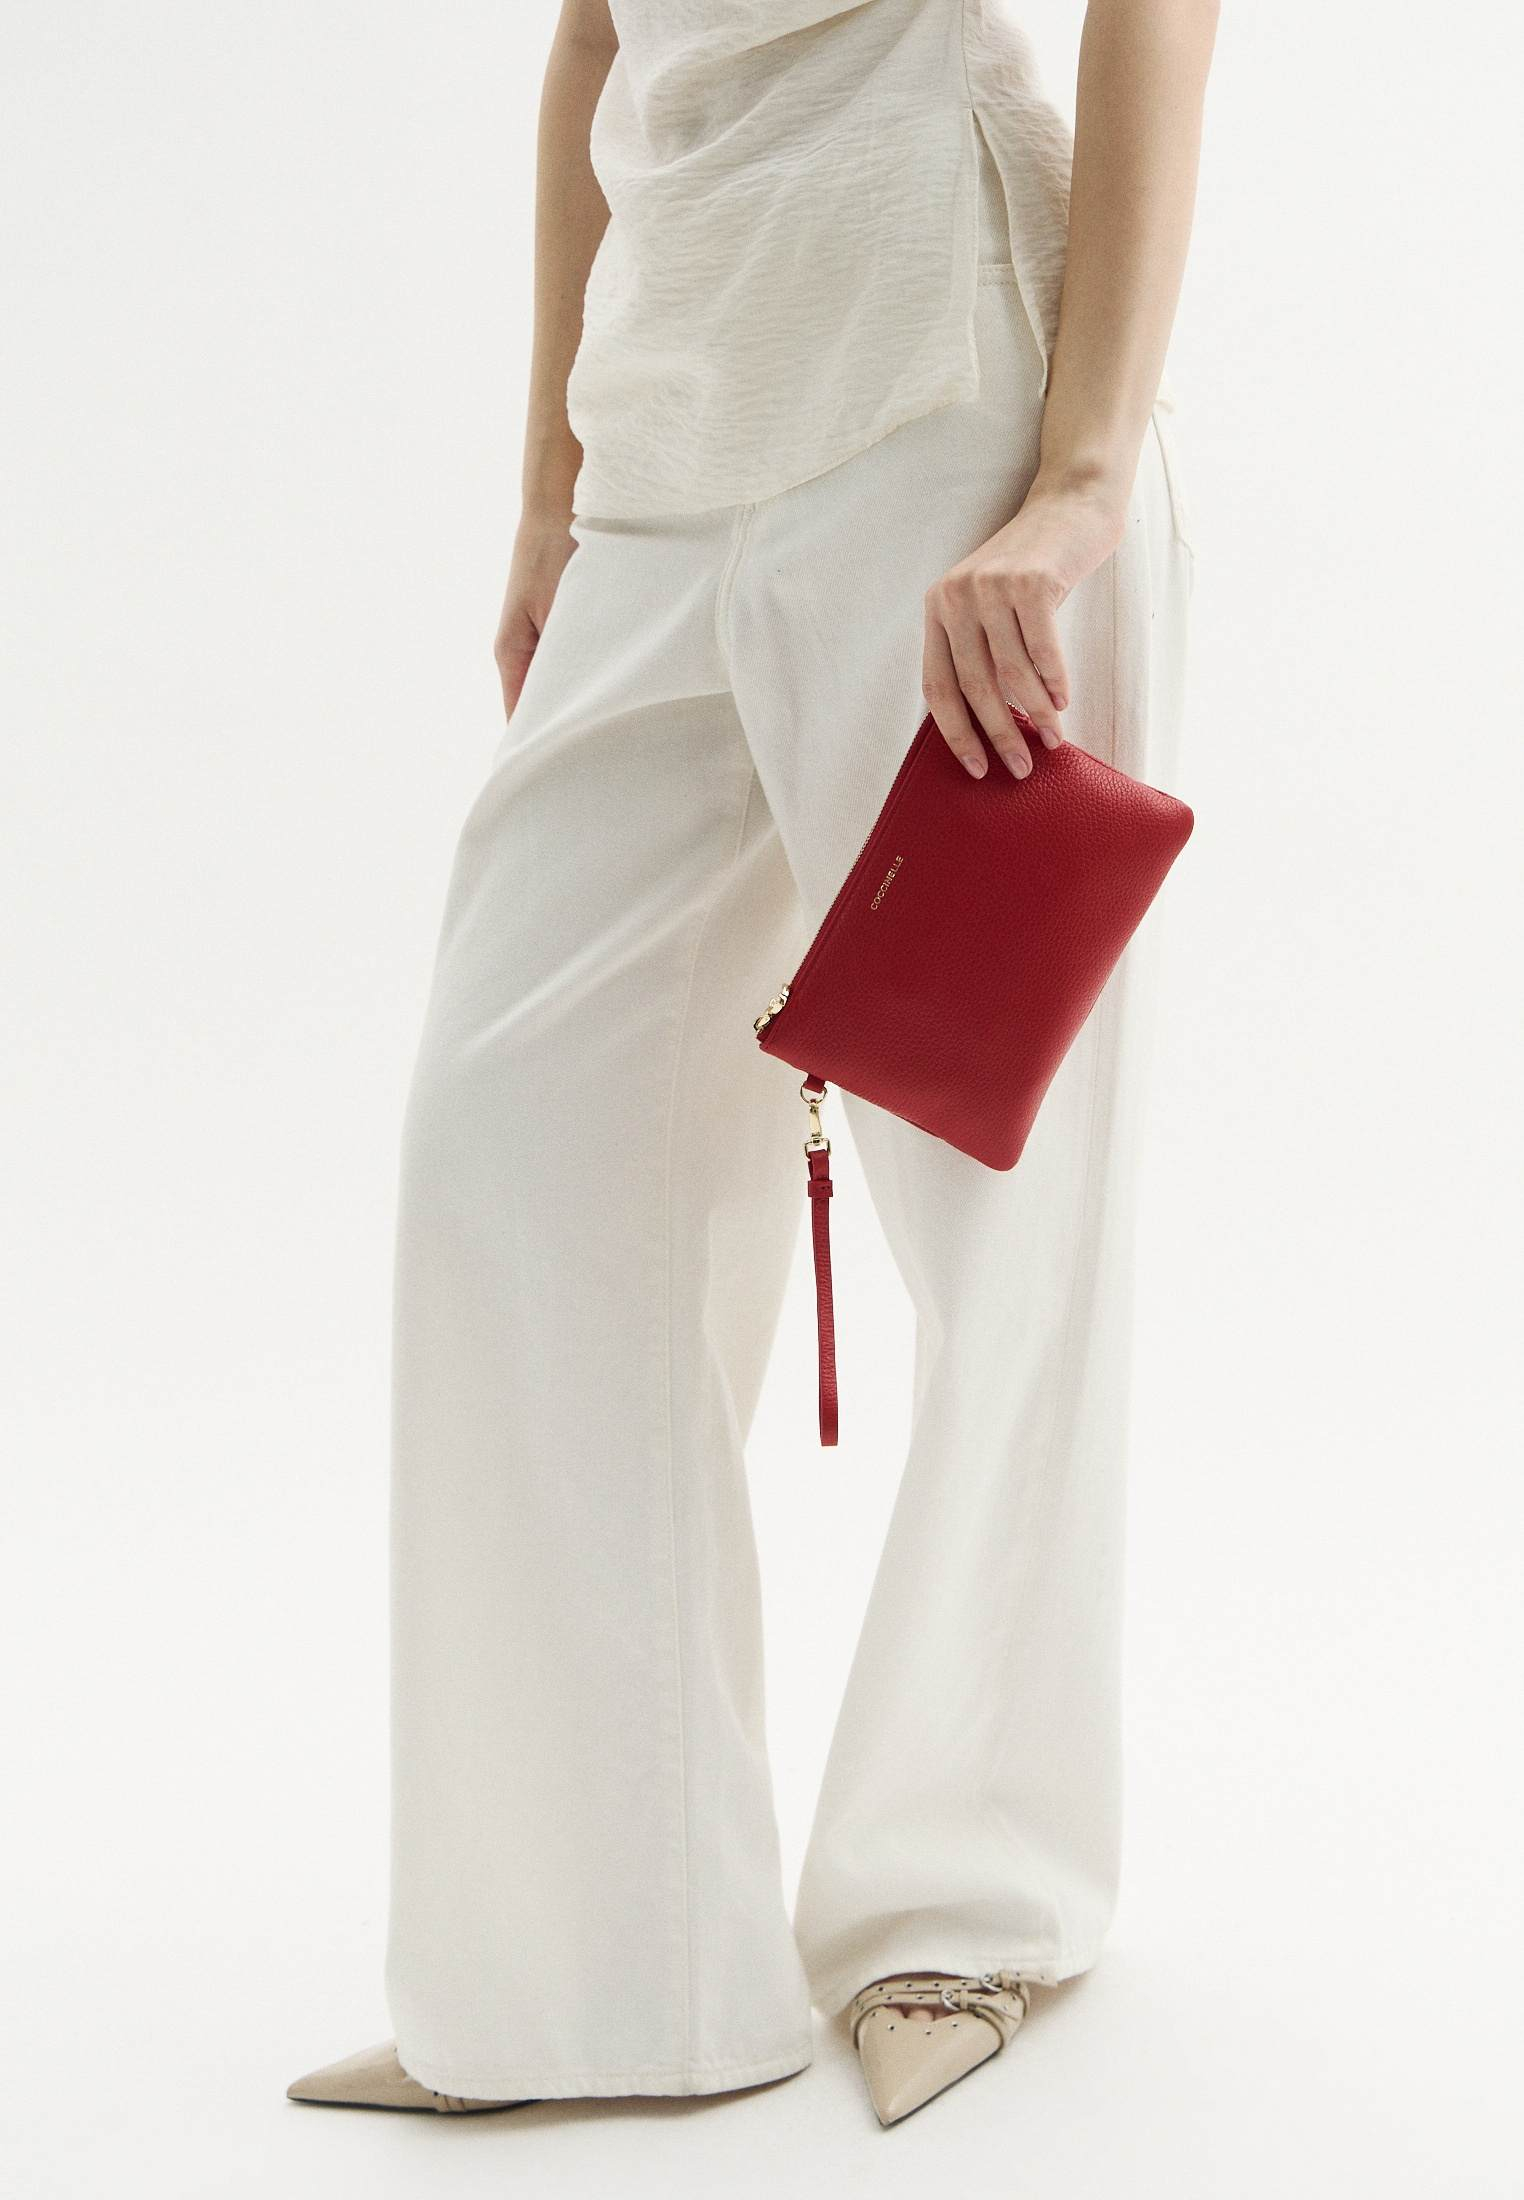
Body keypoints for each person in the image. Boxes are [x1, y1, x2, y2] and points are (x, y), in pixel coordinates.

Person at [287, 0, 1217, 2130]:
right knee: (511, 1160)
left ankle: (961, 1898)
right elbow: (594, 35)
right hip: (667, 441)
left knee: (1007, 1218)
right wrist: (551, 488)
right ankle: (586, 1965)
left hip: (954, 400)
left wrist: (1081, 476)